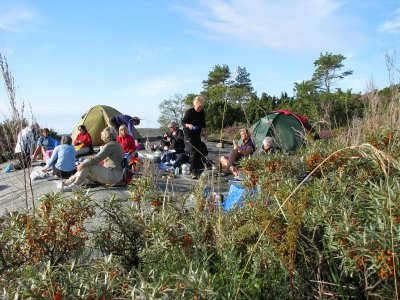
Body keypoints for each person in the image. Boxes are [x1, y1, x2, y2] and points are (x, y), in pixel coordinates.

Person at [58, 127, 125, 192]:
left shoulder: (110, 146)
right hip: (116, 174)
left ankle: (75, 185)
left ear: (106, 135)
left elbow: (96, 159)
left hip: (113, 175)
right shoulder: (115, 145)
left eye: (102, 133)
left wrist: (83, 164)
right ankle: (66, 183)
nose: (101, 134)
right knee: (87, 164)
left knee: (87, 164)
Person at [181, 95, 208, 179]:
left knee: (200, 150)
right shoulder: (189, 112)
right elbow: (183, 122)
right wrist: (188, 125)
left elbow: (203, 125)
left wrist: (205, 134)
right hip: (188, 134)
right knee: (193, 151)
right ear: (195, 104)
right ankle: (193, 172)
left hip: (197, 134)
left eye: (201, 106)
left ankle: (199, 168)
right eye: (198, 106)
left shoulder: (202, 112)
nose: (199, 108)